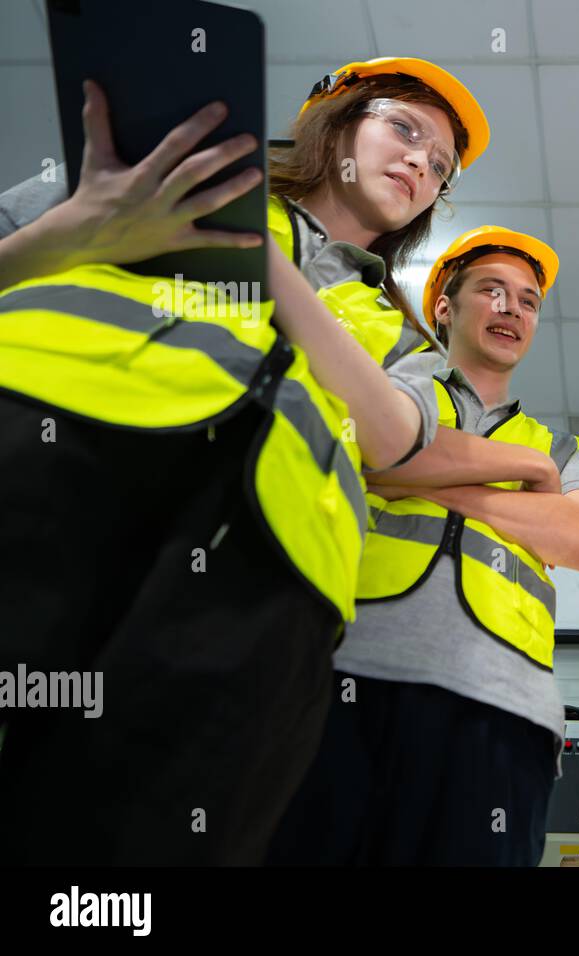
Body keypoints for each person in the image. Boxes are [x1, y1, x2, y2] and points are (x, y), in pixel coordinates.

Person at [0, 57, 506, 865]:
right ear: (332, 124)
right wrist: (75, 231)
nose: (422, 162)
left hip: (264, 588)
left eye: (441, 165)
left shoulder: (406, 333)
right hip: (48, 471)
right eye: (404, 129)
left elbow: (395, 438)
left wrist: (260, 264)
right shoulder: (151, 172)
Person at [269, 226, 579, 866]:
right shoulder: (395, 395)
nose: (512, 309)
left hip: (504, 708)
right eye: (492, 290)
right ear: (443, 308)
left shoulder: (565, 450)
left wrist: (440, 480)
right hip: (347, 678)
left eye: (529, 300)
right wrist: (524, 478)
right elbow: (374, 455)